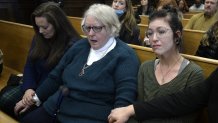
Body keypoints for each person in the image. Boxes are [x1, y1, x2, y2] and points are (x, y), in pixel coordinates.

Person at [14, 3, 140, 123]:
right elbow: (55, 76)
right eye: (87, 28)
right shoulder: (80, 46)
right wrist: (34, 99)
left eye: (96, 28)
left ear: (112, 28)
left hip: (89, 116)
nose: (90, 34)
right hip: (56, 107)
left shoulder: (125, 56)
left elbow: (124, 96)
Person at [108, 7, 205, 123]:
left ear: (177, 35)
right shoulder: (146, 68)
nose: (153, 38)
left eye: (161, 32)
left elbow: (186, 119)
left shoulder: (193, 74)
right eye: (150, 33)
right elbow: (137, 111)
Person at [0, 1, 81, 119]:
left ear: (58, 24)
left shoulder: (73, 45)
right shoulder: (39, 36)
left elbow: (59, 81)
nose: (40, 31)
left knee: (25, 114)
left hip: (51, 93)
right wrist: (28, 88)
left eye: (45, 27)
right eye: (38, 27)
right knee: (4, 99)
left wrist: (35, 97)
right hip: (33, 87)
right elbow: (29, 64)